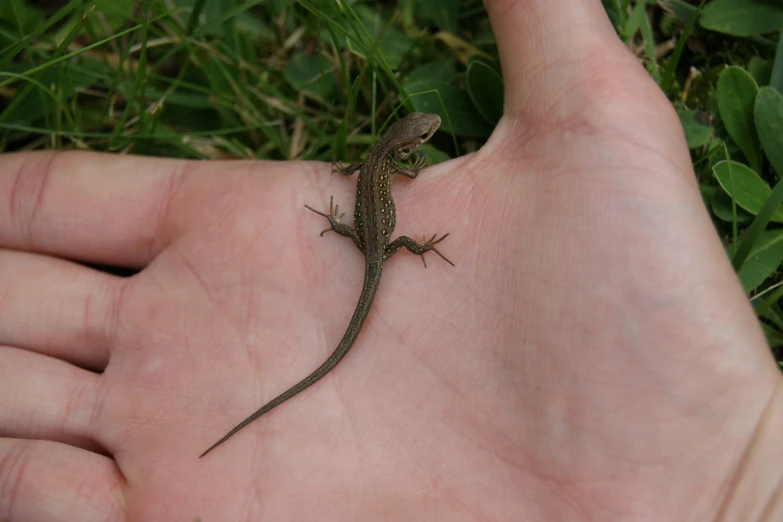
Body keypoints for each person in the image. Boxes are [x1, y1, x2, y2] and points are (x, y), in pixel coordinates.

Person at [1, 0, 780, 520]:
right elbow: (380, 206)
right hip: (374, 246)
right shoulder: (393, 174)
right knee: (387, 248)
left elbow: (357, 179)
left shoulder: (371, 164)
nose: (425, 139)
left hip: (363, 239)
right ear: (404, 146)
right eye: (420, 138)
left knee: (367, 240)